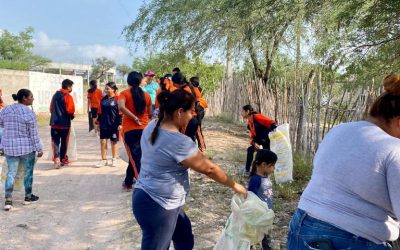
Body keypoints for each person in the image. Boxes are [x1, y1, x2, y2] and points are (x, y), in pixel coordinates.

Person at [286, 74, 400, 249]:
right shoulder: (394, 148)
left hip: (303, 225)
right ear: (399, 123)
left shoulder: (338, 130)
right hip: (353, 239)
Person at [133, 89, 248, 249]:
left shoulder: (152, 126)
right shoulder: (178, 142)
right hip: (158, 205)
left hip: (151, 197)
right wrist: (235, 186)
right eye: (191, 112)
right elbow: (210, 169)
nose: (193, 115)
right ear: (180, 112)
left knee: (185, 239)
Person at [0, 89, 43, 211]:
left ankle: (8, 200)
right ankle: (28, 198)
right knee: (28, 173)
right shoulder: (29, 113)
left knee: (11, 173)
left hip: (10, 148)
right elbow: (33, 134)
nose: (33, 99)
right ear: (25, 98)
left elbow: (1, 124)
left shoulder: (6, 110)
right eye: (31, 97)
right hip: (26, 148)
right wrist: (39, 149)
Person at [118, 71, 152, 191]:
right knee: (137, 156)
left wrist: (133, 117)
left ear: (128, 81)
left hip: (130, 130)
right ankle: (128, 182)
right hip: (145, 130)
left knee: (135, 157)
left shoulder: (124, 94)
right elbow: (151, 113)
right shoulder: (147, 95)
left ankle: (142, 184)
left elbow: (121, 107)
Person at [248, 149, 278, 250]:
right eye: (272, 165)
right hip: (258, 215)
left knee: (266, 236)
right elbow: (250, 196)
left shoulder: (266, 177)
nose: (274, 168)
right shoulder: (256, 180)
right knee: (254, 234)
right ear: (264, 164)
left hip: (267, 214)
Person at [241, 105, 277, 174]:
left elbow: (271, 123)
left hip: (268, 142)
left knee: (261, 158)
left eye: (242, 111)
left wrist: (275, 133)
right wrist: (254, 143)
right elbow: (252, 137)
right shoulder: (249, 124)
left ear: (247, 111)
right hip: (260, 143)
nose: (241, 113)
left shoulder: (257, 116)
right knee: (250, 150)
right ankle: (247, 170)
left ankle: (263, 174)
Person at [95, 82, 122, 168]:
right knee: (103, 142)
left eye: (107, 88)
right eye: (105, 88)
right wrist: (98, 123)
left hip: (114, 124)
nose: (106, 90)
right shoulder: (103, 99)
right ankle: (103, 160)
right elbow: (99, 112)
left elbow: (120, 113)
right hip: (103, 124)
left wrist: (120, 123)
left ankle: (114, 159)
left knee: (113, 141)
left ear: (113, 89)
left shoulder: (118, 99)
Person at [50, 79, 75, 169]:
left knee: (55, 141)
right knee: (64, 142)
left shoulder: (55, 95)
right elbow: (70, 110)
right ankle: (63, 159)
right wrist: (72, 116)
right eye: (71, 86)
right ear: (68, 87)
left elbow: (51, 109)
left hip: (54, 123)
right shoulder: (68, 96)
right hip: (64, 124)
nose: (71, 88)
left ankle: (56, 159)